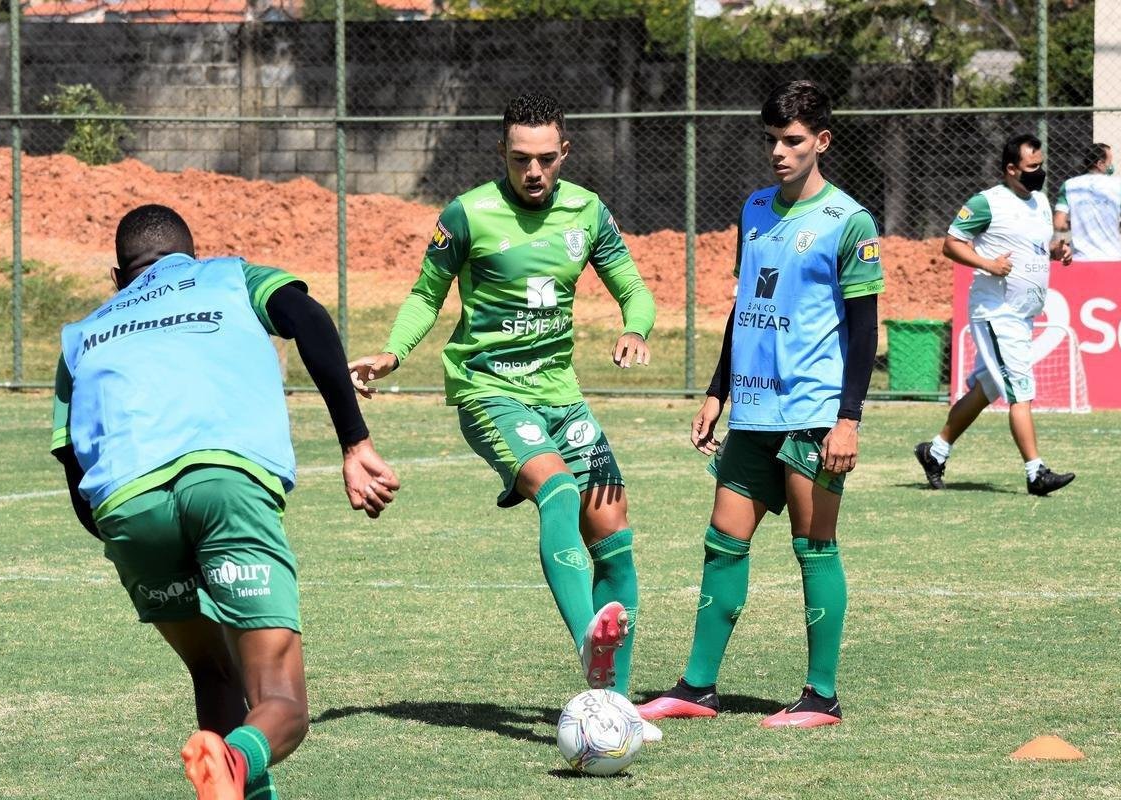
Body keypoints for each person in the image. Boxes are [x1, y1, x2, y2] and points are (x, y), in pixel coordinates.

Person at [51, 204, 399, 800]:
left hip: (126, 508)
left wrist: (136, 542)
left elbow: (73, 466)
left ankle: (224, 774)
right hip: (226, 484)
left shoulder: (82, 332)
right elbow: (307, 317)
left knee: (214, 670)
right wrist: (354, 441)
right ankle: (236, 763)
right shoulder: (231, 274)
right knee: (280, 702)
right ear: (192, 254)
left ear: (117, 278)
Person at [348, 92, 660, 736]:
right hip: (488, 388)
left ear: (564, 153)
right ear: (503, 155)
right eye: (522, 159)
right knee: (559, 492)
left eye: (546, 158)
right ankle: (587, 644)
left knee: (616, 535)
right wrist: (393, 352)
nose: (535, 171)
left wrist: (635, 327)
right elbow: (425, 293)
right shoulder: (467, 214)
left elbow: (632, 287)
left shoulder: (588, 212)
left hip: (561, 394)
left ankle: (616, 707)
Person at [637, 80, 882, 729]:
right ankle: (696, 687)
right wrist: (717, 391)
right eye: (771, 140)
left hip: (812, 413)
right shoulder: (752, 208)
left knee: (814, 547)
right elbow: (748, 304)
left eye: (792, 140)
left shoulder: (848, 221)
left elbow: (863, 330)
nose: (779, 151)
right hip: (750, 410)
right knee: (722, 544)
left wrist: (847, 418)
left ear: (821, 142)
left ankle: (820, 696)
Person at [914, 134, 1076, 496]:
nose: (1040, 173)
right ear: (1011, 168)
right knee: (1020, 388)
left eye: (1041, 165)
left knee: (989, 388)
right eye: (1032, 167)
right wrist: (988, 263)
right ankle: (1036, 473)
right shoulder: (986, 202)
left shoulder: (1041, 202)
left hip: (1023, 314)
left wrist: (1057, 251)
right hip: (996, 311)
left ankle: (935, 451)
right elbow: (951, 243)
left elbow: (1035, 246)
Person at [1053, 142, 1121, 261]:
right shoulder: (1118, 185)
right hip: (1112, 258)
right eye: (1109, 162)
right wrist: (1107, 225)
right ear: (1100, 164)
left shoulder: (1069, 185)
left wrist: (1079, 225)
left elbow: (1059, 224)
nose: (1111, 166)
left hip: (1080, 259)